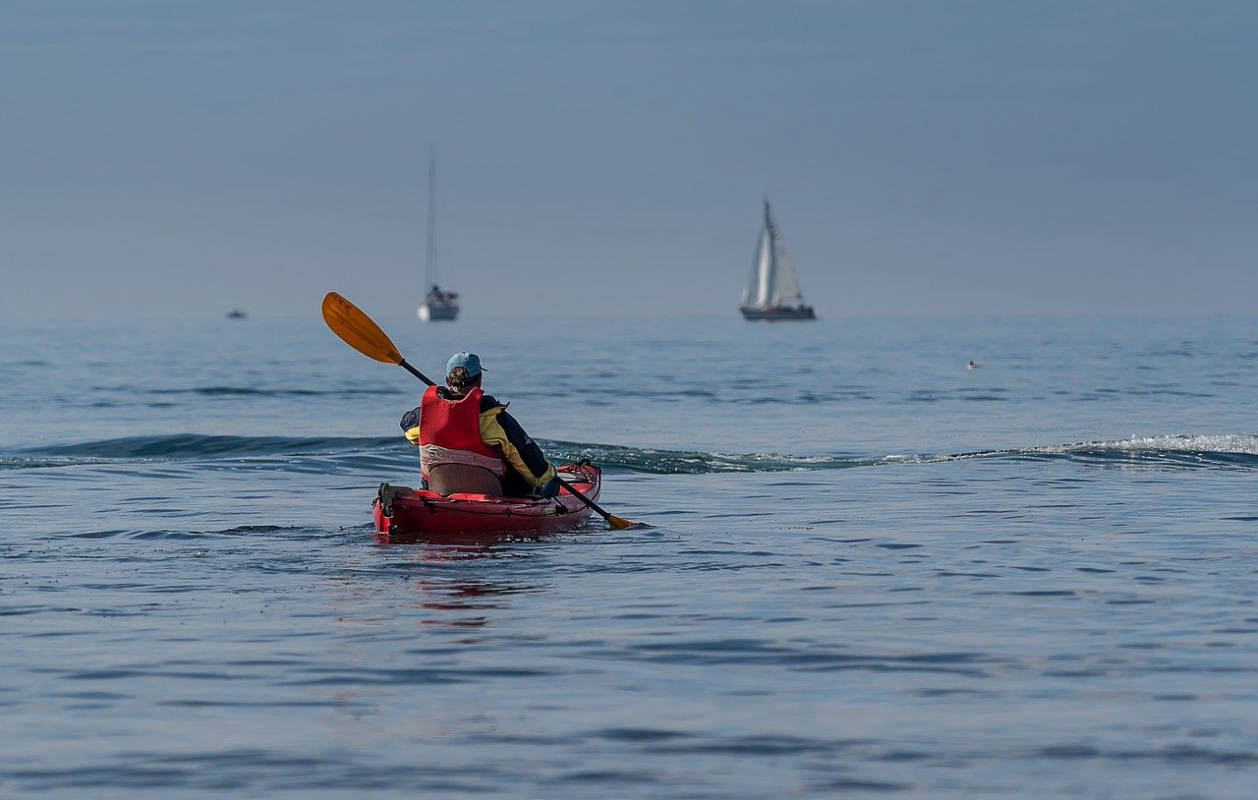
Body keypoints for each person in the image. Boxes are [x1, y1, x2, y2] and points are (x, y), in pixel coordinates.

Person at [399, 352, 558, 498]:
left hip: (440, 489)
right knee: (549, 478)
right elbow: (535, 472)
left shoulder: (424, 418)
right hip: (497, 494)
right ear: (480, 380)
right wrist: (548, 476)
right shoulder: (495, 418)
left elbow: (408, 430)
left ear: (448, 380)